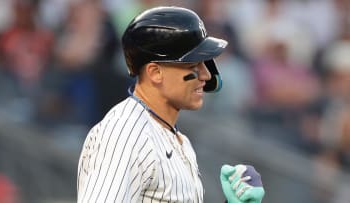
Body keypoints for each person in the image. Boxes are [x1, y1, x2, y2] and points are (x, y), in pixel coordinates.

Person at [77, 6, 265, 203]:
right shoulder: (124, 134)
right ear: (155, 72)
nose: (206, 75)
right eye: (193, 65)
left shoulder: (174, 137)